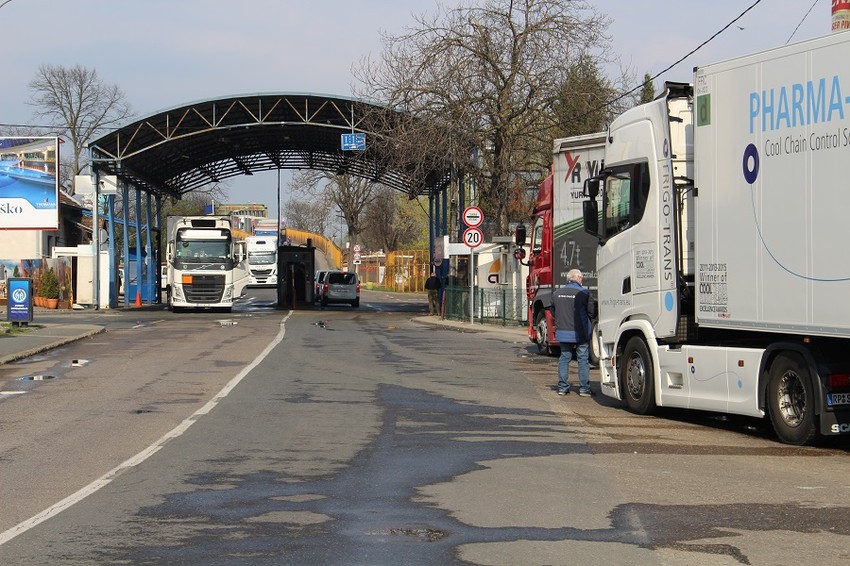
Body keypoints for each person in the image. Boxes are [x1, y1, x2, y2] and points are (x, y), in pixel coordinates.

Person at [551, 269, 596, 396]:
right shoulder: (584, 292)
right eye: (581, 278)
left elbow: (554, 311)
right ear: (578, 278)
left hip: (563, 331)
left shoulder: (557, 293)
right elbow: (591, 312)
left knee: (564, 358)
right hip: (580, 332)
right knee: (582, 359)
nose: (581, 280)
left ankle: (562, 388)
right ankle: (584, 389)